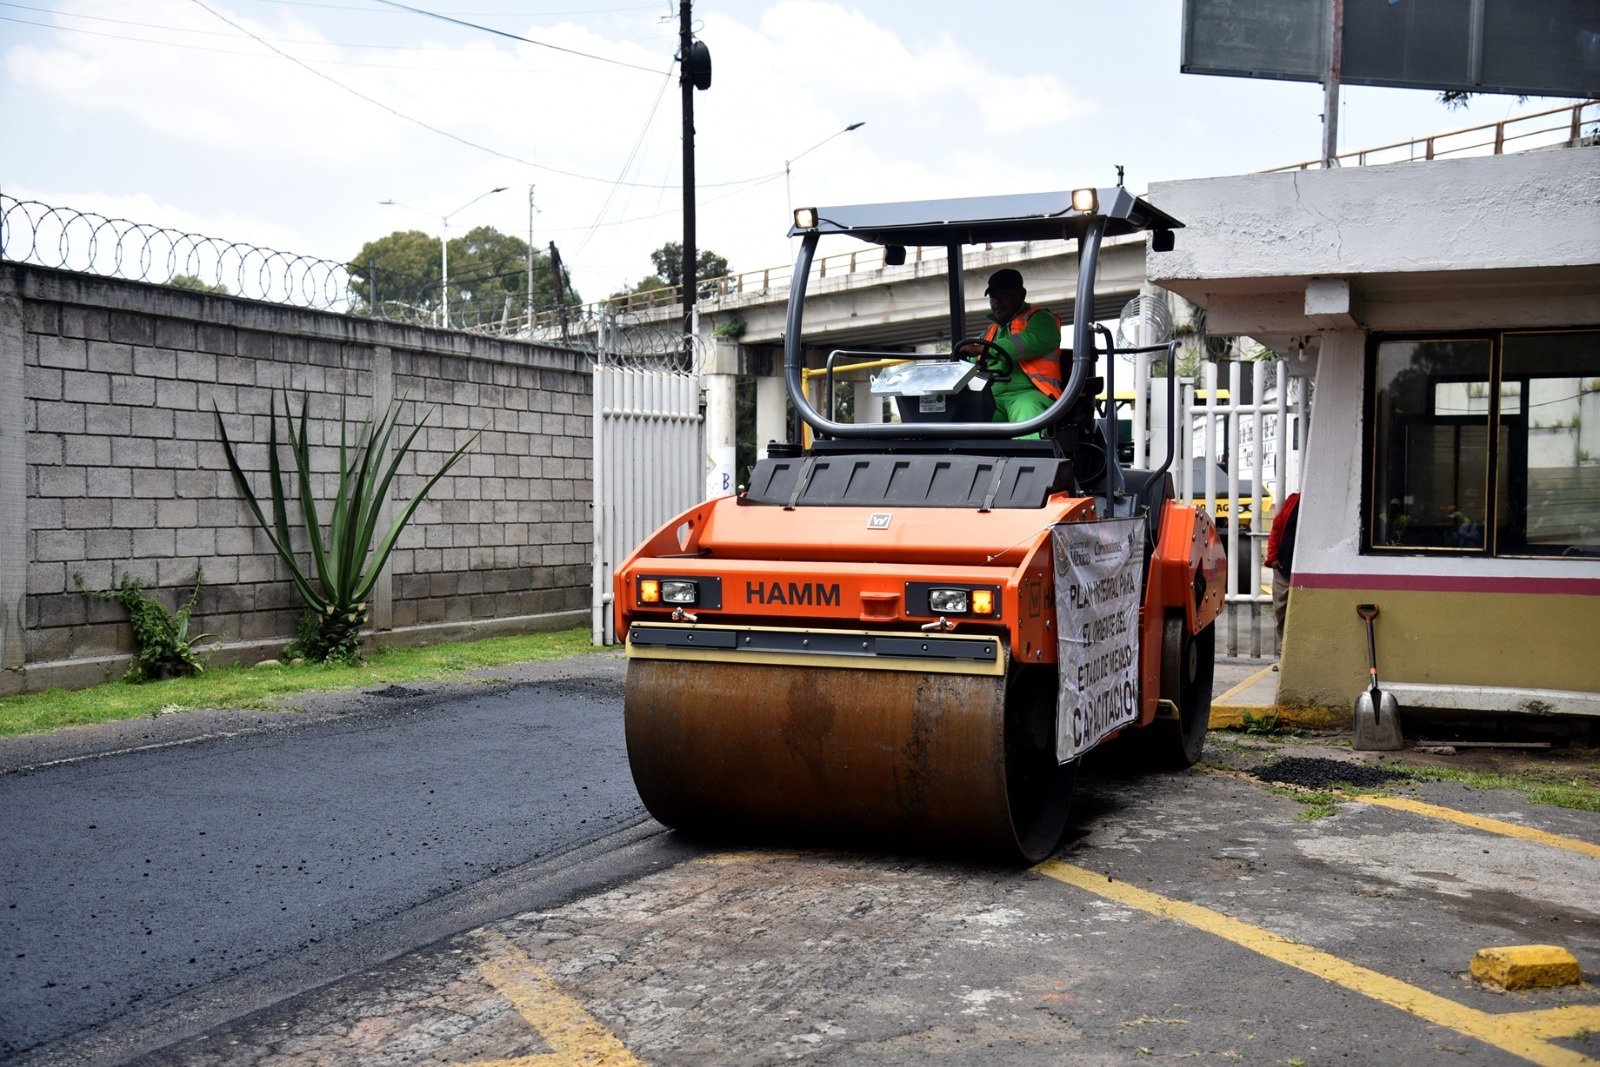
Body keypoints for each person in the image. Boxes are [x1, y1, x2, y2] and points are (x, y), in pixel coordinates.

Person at [955, 268, 1063, 428]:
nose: (997, 301)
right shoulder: (988, 333)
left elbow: (1027, 342)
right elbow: (971, 364)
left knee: (1027, 410)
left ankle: (1030, 453)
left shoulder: (1041, 320)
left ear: (1022, 294)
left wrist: (984, 350)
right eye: (993, 297)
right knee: (966, 414)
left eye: (1004, 295)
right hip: (993, 398)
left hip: (1031, 393)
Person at [1264, 491, 1301, 658]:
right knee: (1281, 611)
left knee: (1297, 613)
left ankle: (1291, 655)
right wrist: (1272, 559)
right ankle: (1282, 654)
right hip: (1284, 569)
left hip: (1302, 571)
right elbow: (1277, 528)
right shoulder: (1294, 501)